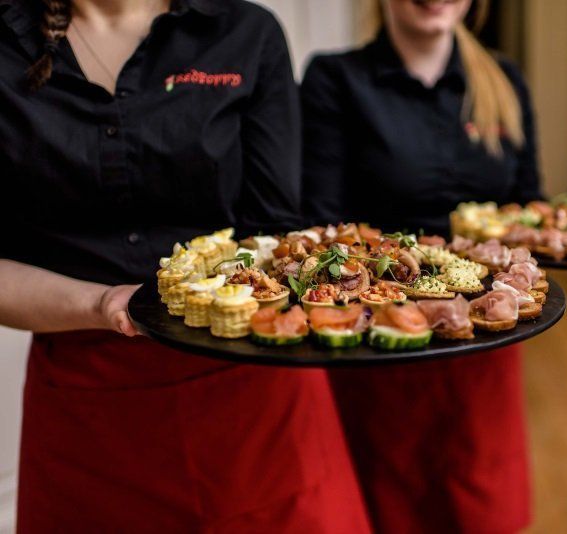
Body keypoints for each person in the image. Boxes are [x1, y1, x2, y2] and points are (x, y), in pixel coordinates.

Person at [0, 0, 370, 531]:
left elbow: (275, 234)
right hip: (87, 406)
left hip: (252, 389)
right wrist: (100, 303)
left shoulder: (245, 32)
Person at [301, 0, 543, 531]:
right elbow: (321, 223)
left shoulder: (504, 80)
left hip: (483, 339)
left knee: (480, 498)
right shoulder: (334, 79)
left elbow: (531, 209)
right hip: (383, 334)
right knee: (390, 497)